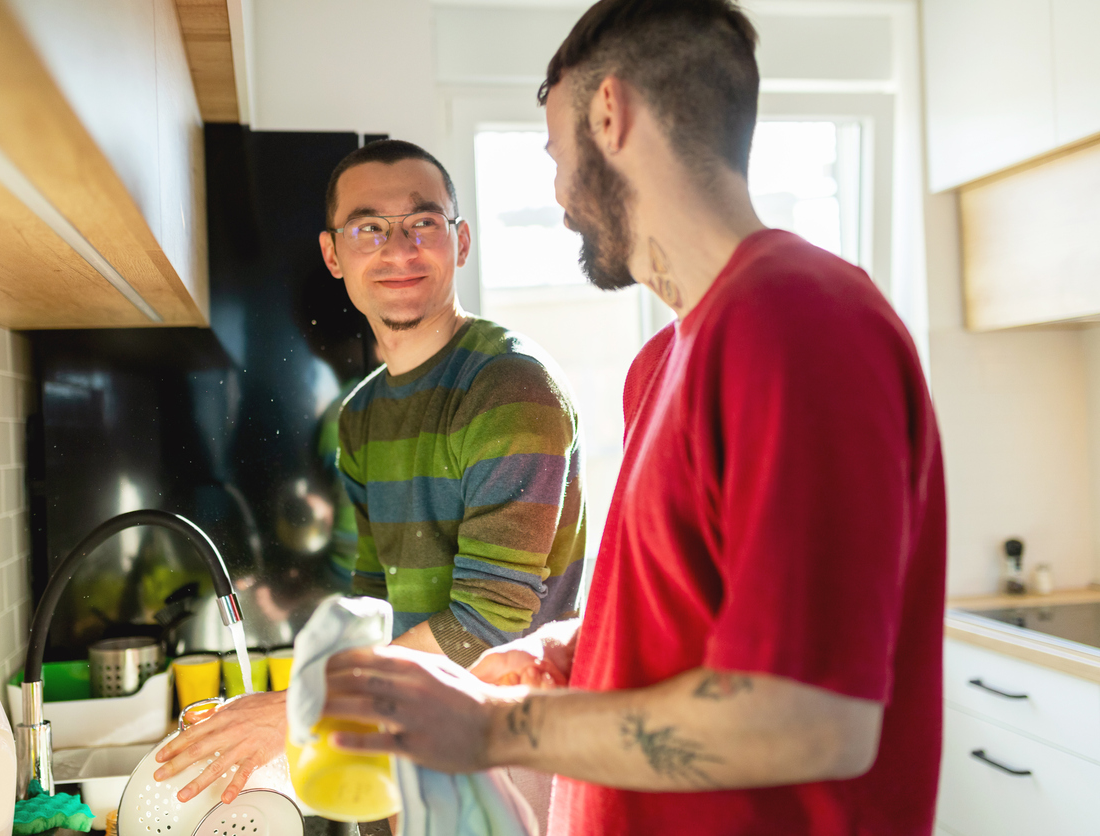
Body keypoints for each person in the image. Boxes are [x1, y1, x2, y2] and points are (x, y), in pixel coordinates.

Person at [321, 2, 947, 835]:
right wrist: (574, 647)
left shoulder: (798, 319)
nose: (557, 194)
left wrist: (490, 729)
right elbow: (689, 610)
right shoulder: (669, 359)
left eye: (555, 151)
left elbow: (810, 720)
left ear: (609, 113)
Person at [152, 140, 587, 808]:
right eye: (369, 228)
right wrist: (296, 631)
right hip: (410, 751)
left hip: (517, 769)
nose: (399, 249)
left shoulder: (509, 387)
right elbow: (367, 597)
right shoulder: (360, 416)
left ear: (460, 241)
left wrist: (306, 704)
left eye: (423, 223)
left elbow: (488, 618)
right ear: (334, 254)